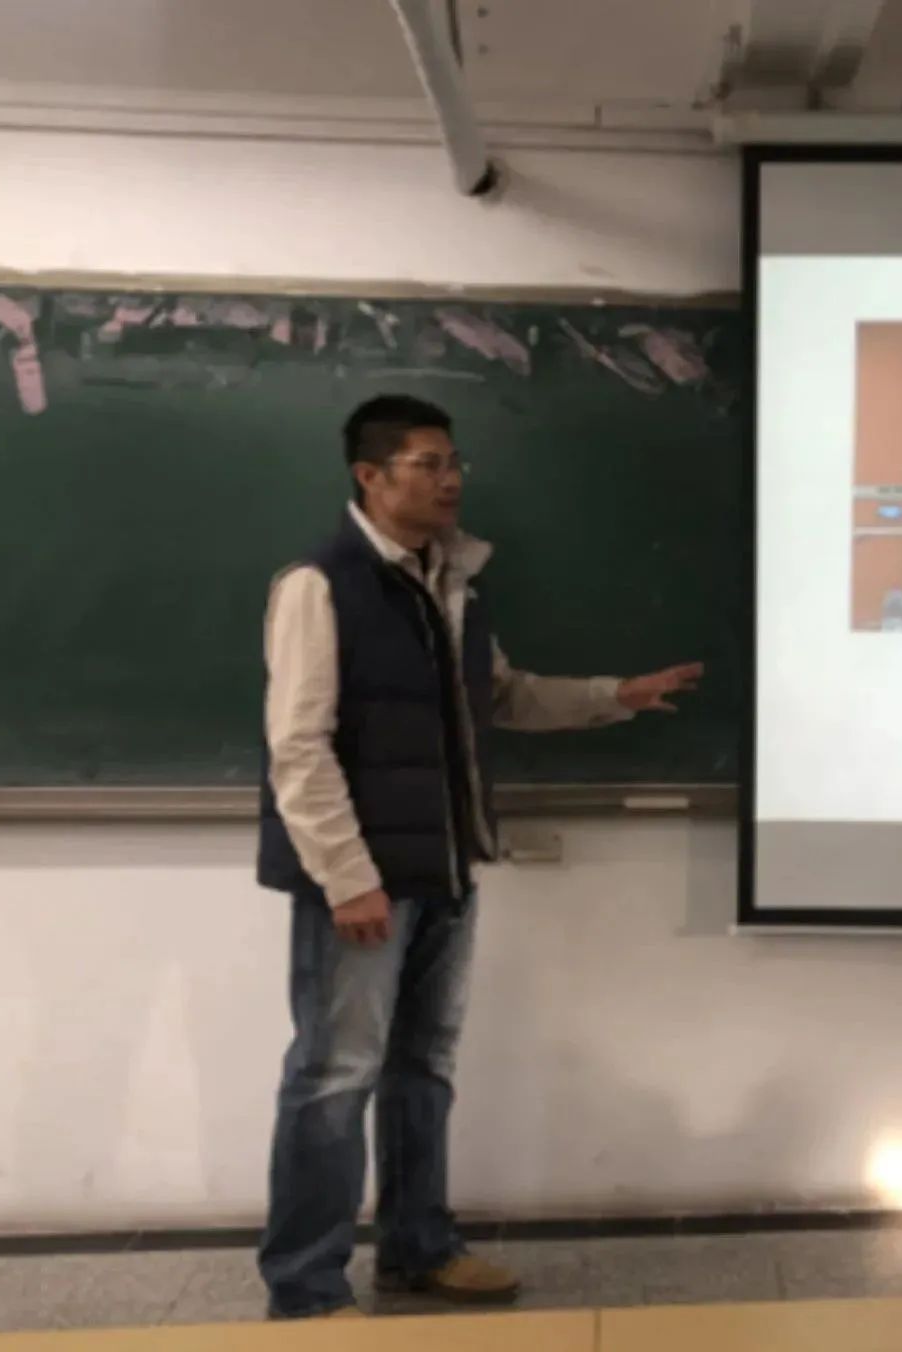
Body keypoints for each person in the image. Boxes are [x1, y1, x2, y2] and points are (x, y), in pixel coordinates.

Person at [256, 395, 702, 1320]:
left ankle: (419, 1250)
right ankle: (305, 1288)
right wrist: (349, 877)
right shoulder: (319, 584)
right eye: (427, 463)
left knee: (423, 1068)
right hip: (362, 884)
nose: (450, 479)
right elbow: (298, 747)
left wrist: (613, 695)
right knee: (334, 1076)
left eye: (454, 461)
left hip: (447, 867)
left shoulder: (452, 579)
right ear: (369, 476)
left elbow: (498, 697)